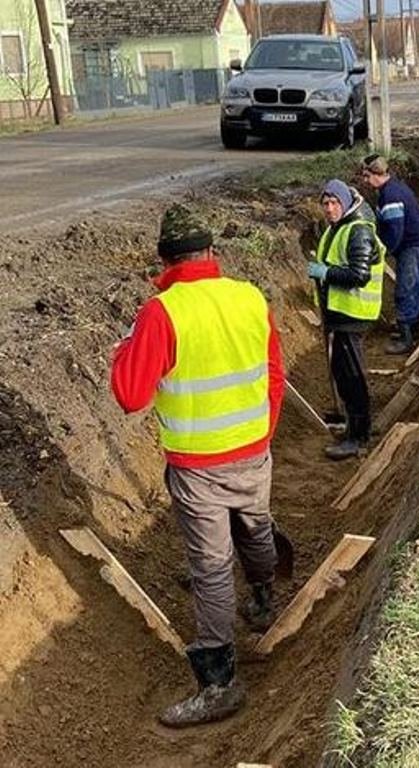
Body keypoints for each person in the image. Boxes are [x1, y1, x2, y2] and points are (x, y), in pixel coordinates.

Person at [111, 204, 285, 728]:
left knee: (210, 570)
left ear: (164, 258)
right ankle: (262, 598)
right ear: (212, 252)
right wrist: (262, 431)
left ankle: (219, 684)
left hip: (198, 466)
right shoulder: (249, 296)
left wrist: (125, 350)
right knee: (255, 528)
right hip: (254, 447)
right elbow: (274, 372)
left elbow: (129, 395)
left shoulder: (163, 313)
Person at [307, 180, 385, 460]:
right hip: (340, 316)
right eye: (325, 204)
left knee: (352, 377)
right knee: (343, 373)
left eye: (334, 203)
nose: (329, 209)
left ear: (345, 203)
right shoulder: (337, 227)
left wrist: (325, 273)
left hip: (352, 316)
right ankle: (354, 426)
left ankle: (358, 437)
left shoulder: (358, 231)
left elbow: (359, 275)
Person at [361, 153, 419, 354]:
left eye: (367, 176)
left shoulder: (390, 196)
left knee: (406, 290)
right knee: (416, 288)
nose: (365, 181)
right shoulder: (395, 187)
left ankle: (406, 339)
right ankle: (412, 327)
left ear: (376, 174)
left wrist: (382, 252)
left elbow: (395, 231)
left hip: (414, 248)